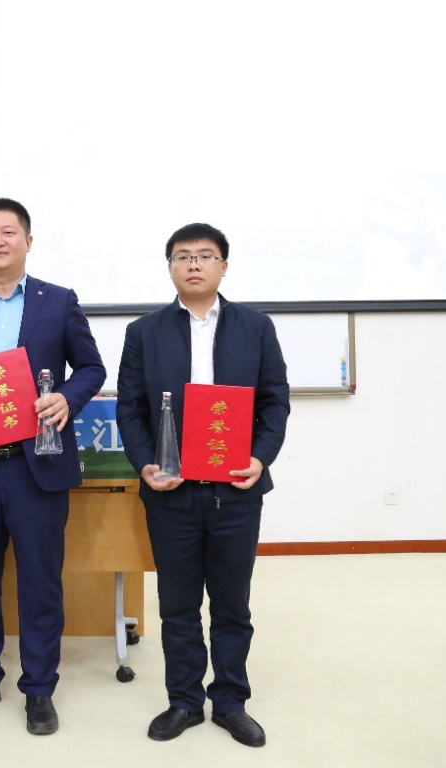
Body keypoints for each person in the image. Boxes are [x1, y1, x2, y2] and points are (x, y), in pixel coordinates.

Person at [0, 198, 106, 736]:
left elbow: (92, 367)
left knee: (40, 583)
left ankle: (39, 687)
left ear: (28, 242)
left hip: (39, 465)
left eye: (9, 232)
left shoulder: (59, 301)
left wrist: (67, 398)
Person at [115, 223, 289, 748]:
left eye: (205, 255)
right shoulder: (144, 332)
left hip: (236, 490)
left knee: (232, 605)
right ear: (170, 267)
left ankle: (231, 701)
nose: (194, 264)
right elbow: (130, 409)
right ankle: (185, 701)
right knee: (178, 604)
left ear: (223, 267)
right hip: (172, 493)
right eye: (183, 256)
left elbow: (275, 401)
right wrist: (145, 464)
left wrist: (260, 457)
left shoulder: (256, 327)